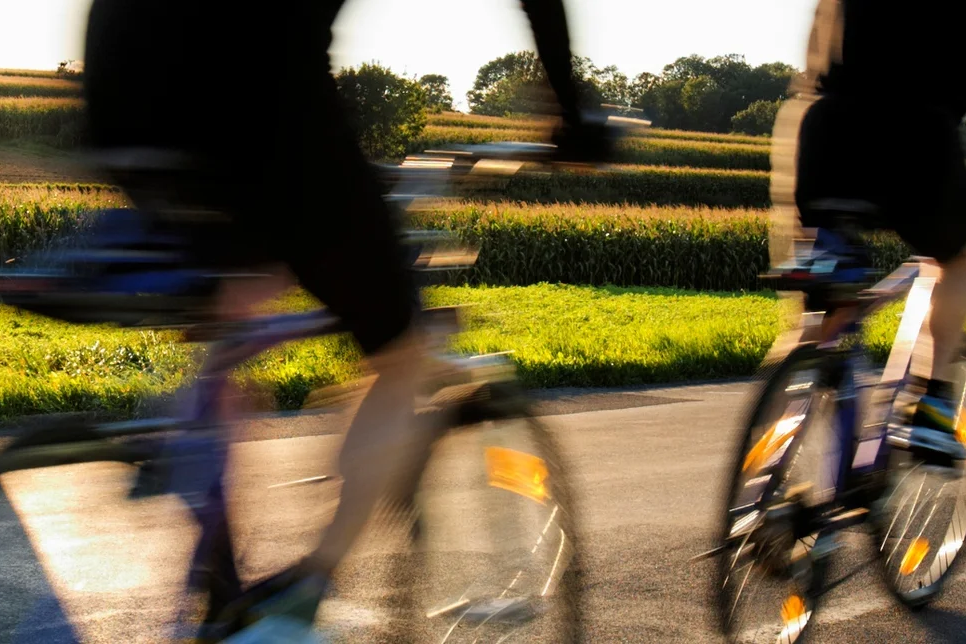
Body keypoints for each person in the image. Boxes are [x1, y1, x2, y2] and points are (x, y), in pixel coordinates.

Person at [73, 0, 610, 638]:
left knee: (239, 301)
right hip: (259, 100)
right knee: (401, 351)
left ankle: (215, 576)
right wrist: (571, 116)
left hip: (120, 93)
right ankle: (299, 598)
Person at [764, 0, 966, 461]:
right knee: (957, 258)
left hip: (827, 129)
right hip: (921, 143)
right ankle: (931, 403)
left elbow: (820, 30)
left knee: (824, 292)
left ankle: (780, 440)